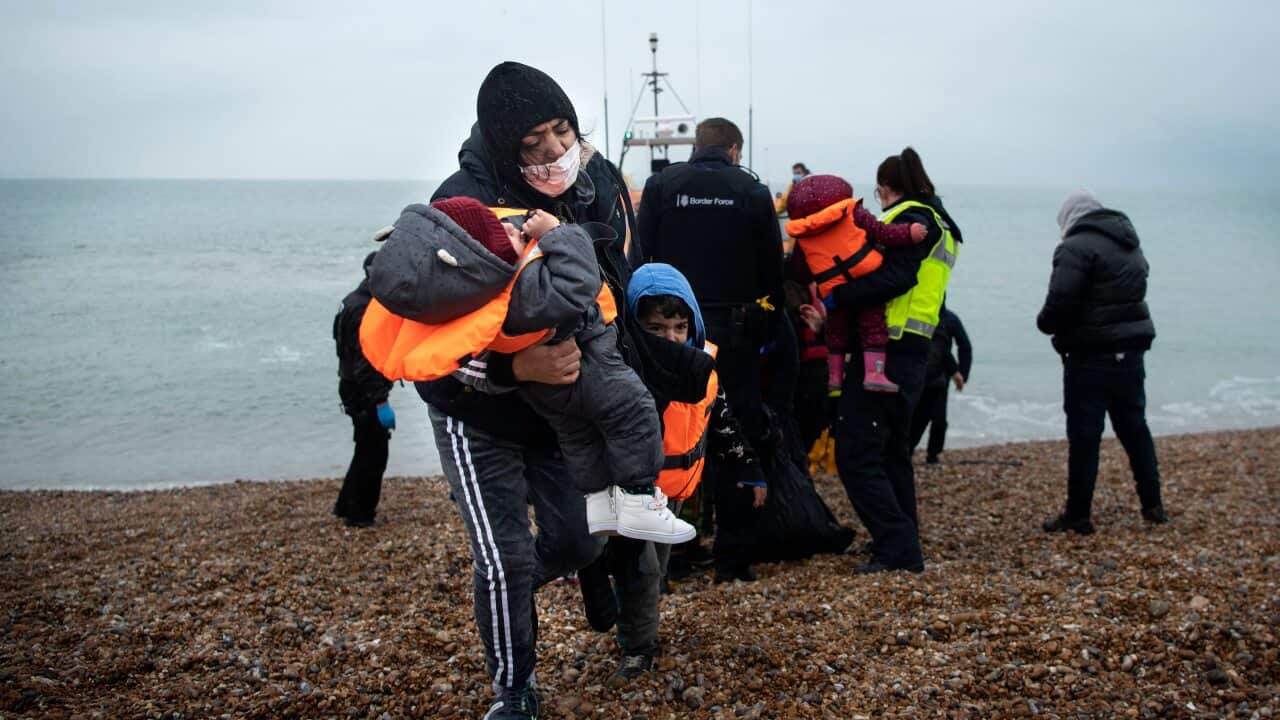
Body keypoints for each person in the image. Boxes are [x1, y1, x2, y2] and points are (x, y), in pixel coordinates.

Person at [378, 61, 639, 720]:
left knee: (580, 541)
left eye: (562, 132)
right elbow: (422, 350)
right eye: (533, 142)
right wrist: (510, 372)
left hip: (558, 413)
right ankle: (514, 688)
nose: (555, 152)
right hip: (475, 409)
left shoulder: (591, 184)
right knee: (504, 559)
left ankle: (570, 575)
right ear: (504, 146)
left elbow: (613, 293)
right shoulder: (457, 205)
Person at [364, 196, 693, 544]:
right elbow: (579, 281)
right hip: (591, 365)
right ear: (482, 262)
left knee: (578, 434)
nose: (511, 226)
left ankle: (600, 505)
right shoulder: (526, 290)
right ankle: (640, 498)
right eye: (501, 234)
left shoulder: (471, 301)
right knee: (635, 412)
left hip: (546, 390)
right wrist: (559, 233)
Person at [601, 262, 767, 686]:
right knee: (640, 571)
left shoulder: (701, 366)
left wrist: (748, 468)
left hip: (674, 491)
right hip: (632, 493)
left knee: (652, 570)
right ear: (635, 326)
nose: (671, 338)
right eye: (656, 329)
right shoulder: (625, 368)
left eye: (678, 326)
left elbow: (723, 419)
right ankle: (638, 647)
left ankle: (634, 623)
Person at [813, 147, 961, 574]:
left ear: (882, 188)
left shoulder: (907, 221)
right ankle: (902, 537)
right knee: (894, 451)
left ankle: (896, 546)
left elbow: (889, 279)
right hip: (918, 348)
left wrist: (835, 297)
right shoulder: (945, 226)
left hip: (884, 347)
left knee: (856, 454)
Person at [1037, 190, 1167, 535]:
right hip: (1130, 352)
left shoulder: (1074, 247)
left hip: (1089, 355)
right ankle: (1152, 504)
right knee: (1134, 427)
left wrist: (1045, 323)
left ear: (1070, 218)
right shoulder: (1130, 244)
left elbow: (1061, 300)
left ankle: (1078, 515)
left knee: (1085, 435)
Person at [784, 174, 929, 394]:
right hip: (866, 278)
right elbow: (883, 233)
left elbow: (800, 272)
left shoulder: (803, 235)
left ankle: (834, 378)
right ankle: (874, 374)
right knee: (873, 327)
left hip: (833, 290)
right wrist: (909, 233)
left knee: (836, 332)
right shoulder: (852, 211)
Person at [332, 251, 395, 528]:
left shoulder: (351, 301)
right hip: (362, 390)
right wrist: (380, 402)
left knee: (364, 447)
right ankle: (360, 513)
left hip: (351, 386)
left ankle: (346, 504)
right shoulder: (364, 309)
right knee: (374, 452)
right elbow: (364, 363)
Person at [910, 306, 972, 464]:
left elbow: (964, 346)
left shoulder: (950, 319)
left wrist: (962, 374)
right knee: (913, 417)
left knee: (939, 420)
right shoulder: (921, 317)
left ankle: (933, 454)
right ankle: (906, 452)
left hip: (938, 377)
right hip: (917, 374)